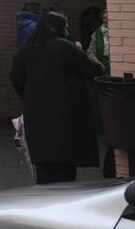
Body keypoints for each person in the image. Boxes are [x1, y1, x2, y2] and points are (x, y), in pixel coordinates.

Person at [10, 12, 105, 184]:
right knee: (64, 166)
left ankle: (45, 197)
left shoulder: (25, 50)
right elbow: (92, 71)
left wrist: (29, 96)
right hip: (65, 113)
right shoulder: (65, 47)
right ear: (56, 27)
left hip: (36, 113)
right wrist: (86, 54)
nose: (67, 30)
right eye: (65, 26)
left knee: (43, 164)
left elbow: (16, 78)